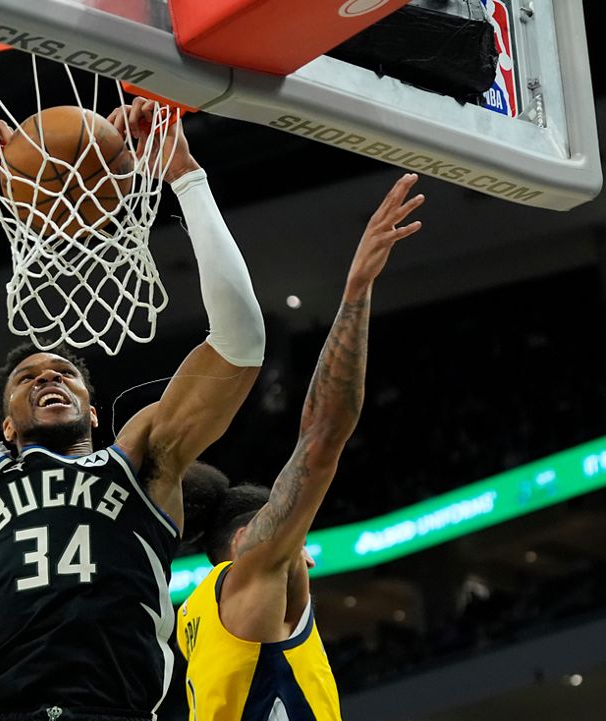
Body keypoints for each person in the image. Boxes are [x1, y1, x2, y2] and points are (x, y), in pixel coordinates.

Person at [0, 99, 266, 720]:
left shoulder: (144, 459)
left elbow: (240, 345)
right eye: (27, 378)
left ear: (94, 409)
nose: (48, 378)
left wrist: (186, 177)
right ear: (4, 424)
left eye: (63, 374)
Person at [175, 173, 426, 721]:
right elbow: (321, 435)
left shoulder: (193, 619)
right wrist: (357, 289)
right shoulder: (255, 575)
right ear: (249, 538)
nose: (303, 552)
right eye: (295, 536)